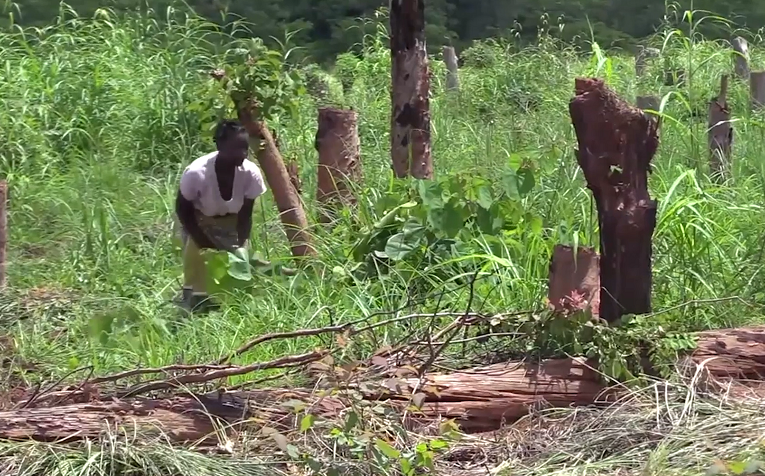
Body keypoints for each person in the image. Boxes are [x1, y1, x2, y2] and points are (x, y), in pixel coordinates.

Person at [174, 119, 267, 311]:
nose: (242, 154)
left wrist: (241, 244)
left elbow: (246, 214)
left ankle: (227, 307)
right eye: (235, 148)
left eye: (244, 148)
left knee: (237, 270)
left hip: (232, 224)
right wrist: (202, 242)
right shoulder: (197, 173)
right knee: (197, 271)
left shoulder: (250, 173)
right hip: (199, 223)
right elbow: (183, 210)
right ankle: (194, 310)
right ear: (219, 145)